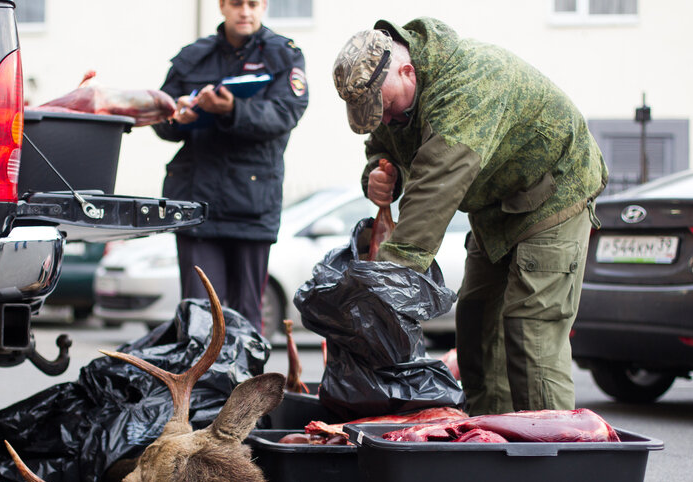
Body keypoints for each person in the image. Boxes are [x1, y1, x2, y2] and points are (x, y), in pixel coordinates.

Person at [332, 18, 608, 416]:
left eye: (386, 107)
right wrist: (377, 174)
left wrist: (384, 290)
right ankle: (489, 442)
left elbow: (433, 191)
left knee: (529, 331)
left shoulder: (468, 83)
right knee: (477, 326)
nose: (386, 119)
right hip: (493, 209)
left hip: (552, 198)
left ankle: (555, 455)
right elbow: (383, 143)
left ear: (407, 71)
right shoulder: (398, 100)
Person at [153, 0, 308, 333]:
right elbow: (162, 120)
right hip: (196, 205)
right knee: (199, 320)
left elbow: (284, 115)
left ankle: (246, 387)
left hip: (251, 205)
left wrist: (232, 109)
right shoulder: (192, 56)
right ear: (223, 6)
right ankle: (203, 387)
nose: (245, 11)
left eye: (253, 4)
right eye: (237, 3)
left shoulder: (284, 55)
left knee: (245, 322)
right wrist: (177, 113)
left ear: (263, 6)